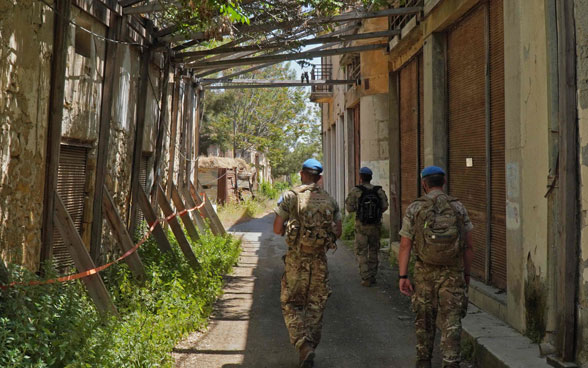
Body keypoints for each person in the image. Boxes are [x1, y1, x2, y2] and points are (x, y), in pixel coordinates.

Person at [397, 166, 474, 368]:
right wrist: (466, 274)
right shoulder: (458, 207)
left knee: (424, 318)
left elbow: (405, 245)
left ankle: (424, 360)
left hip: (424, 272)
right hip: (453, 272)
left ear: (424, 184)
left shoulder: (415, 208)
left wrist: (403, 275)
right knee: (452, 319)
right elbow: (469, 245)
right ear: (444, 181)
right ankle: (450, 361)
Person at [273, 158, 342, 368]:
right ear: (319, 178)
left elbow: (277, 229)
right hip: (319, 261)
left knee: (289, 302)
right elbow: (337, 231)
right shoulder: (330, 200)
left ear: (302, 174)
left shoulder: (290, 196)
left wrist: (290, 230)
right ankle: (310, 346)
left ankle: (303, 345)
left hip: (296, 260)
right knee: (316, 304)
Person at [344, 166, 389, 287]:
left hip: (361, 226)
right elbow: (385, 206)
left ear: (360, 177)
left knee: (361, 251)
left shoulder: (356, 191)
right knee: (374, 250)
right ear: (371, 177)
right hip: (375, 226)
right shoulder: (378, 191)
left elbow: (349, 208)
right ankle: (373, 275)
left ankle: (365, 277)